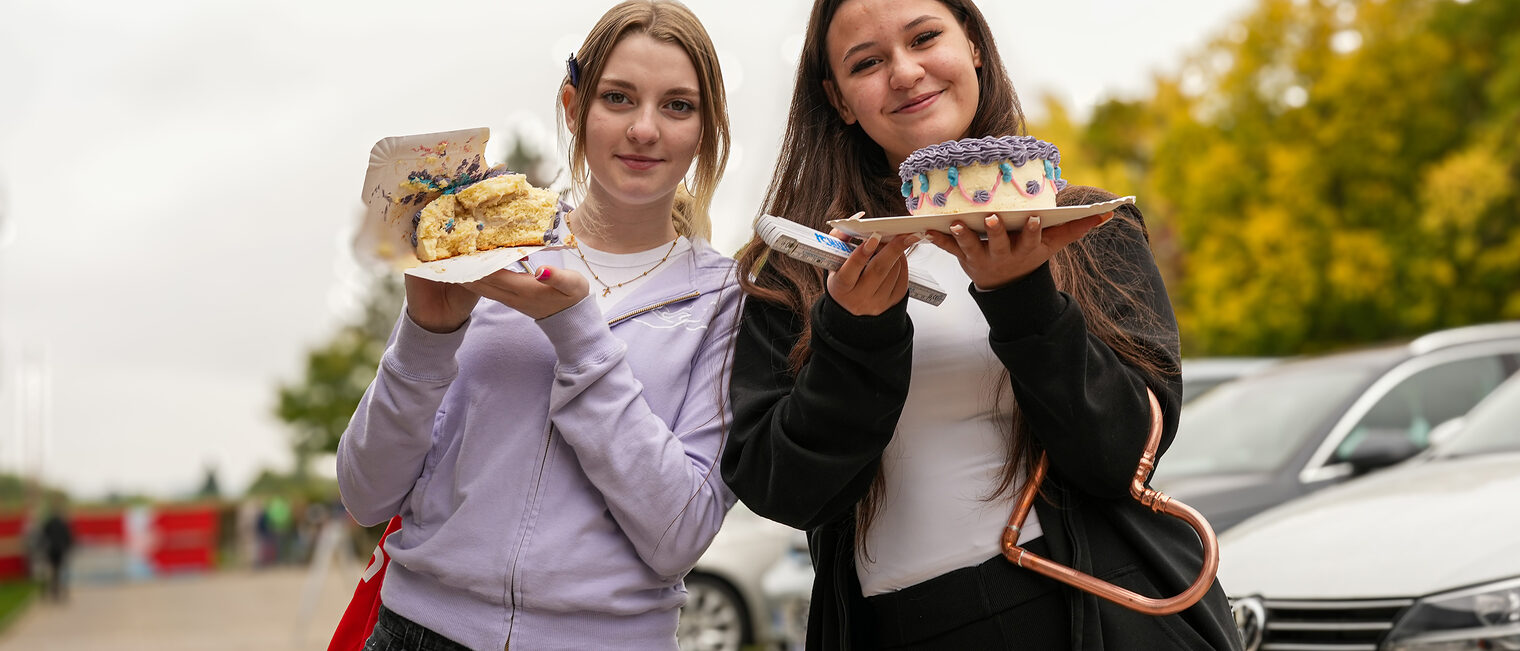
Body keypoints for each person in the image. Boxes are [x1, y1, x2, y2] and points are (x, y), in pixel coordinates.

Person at [721, 0, 1240, 649]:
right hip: (901, 626)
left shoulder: (1084, 228)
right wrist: (855, 330)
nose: (905, 72)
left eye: (924, 37)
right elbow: (782, 489)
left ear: (973, 45)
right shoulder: (796, 275)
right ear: (840, 99)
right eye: (868, 61)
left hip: (1091, 612)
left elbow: (1123, 456)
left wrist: (1022, 296)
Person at [336, 2, 738, 649]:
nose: (644, 128)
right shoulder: (488, 248)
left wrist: (576, 330)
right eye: (618, 97)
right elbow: (364, 492)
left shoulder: (728, 301)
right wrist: (425, 335)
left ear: (707, 128)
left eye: (677, 106)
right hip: (419, 630)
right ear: (574, 107)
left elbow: (679, 536)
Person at [37, 500, 74, 603]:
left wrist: (41, 548)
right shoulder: (63, 523)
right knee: (61, 570)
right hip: (60, 550)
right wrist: (68, 547)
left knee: (51, 571)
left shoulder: (48, 523)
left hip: (50, 550)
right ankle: (63, 591)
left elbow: (42, 536)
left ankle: (52, 590)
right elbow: (69, 537)